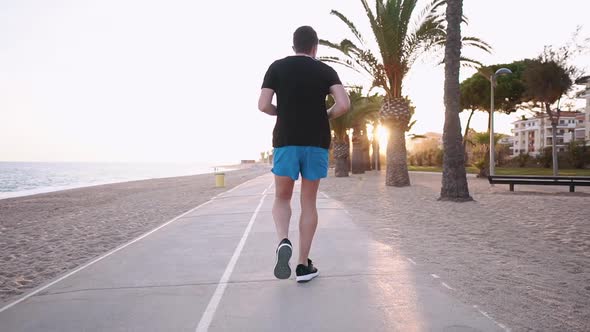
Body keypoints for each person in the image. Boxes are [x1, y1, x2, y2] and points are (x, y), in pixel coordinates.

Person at [257, 26, 350, 283]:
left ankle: (283, 241)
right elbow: (343, 104)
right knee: (308, 201)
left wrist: (282, 112)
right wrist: (325, 115)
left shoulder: (276, 67)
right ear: (314, 47)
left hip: (286, 140)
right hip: (316, 141)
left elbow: (263, 105)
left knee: (282, 197)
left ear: (294, 46)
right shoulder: (325, 70)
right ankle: (302, 265)